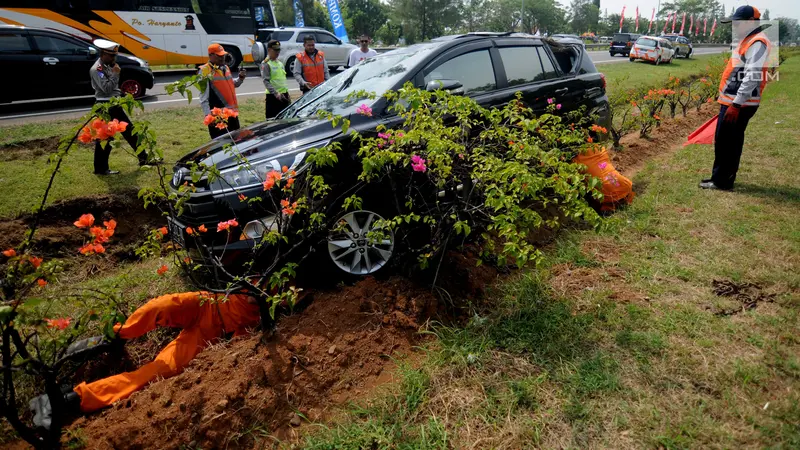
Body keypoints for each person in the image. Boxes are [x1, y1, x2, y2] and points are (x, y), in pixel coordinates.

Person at [29, 291, 261, 427]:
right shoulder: (264, 244)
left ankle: (72, 398)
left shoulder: (291, 285)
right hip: (208, 301)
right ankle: (116, 336)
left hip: (213, 330)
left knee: (158, 371)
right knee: (162, 307)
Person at [700, 5, 772, 190]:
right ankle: (719, 178)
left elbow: (752, 75)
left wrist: (737, 104)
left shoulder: (757, 42)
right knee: (724, 140)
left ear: (750, 21)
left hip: (739, 104)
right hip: (733, 101)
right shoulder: (747, 40)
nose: (734, 26)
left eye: (737, 23)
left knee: (729, 143)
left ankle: (723, 181)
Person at [89, 39, 149, 175]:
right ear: (103, 54)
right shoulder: (97, 70)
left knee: (131, 132)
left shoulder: (108, 66)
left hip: (114, 104)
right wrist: (116, 74)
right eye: (111, 55)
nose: (114, 58)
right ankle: (100, 169)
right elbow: (106, 88)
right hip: (104, 106)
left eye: (114, 55)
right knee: (104, 138)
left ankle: (144, 159)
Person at [199, 44, 247, 139]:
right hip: (218, 117)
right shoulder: (205, 70)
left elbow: (231, 84)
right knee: (221, 144)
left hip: (232, 114)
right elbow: (203, 97)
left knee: (236, 142)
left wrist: (240, 78)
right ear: (211, 55)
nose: (222, 58)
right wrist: (209, 116)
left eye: (223, 55)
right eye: (219, 56)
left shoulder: (225, 67)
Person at [260, 40, 291, 119]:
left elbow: (282, 80)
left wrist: (287, 94)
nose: (277, 52)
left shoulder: (280, 63)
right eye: (275, 50)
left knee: (285, 120)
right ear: (269, 50)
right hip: (273, 96)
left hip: (284, 95)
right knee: (273, 120)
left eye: (279, 50)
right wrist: (275, 93)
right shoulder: (266, 63)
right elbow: (266, 81)